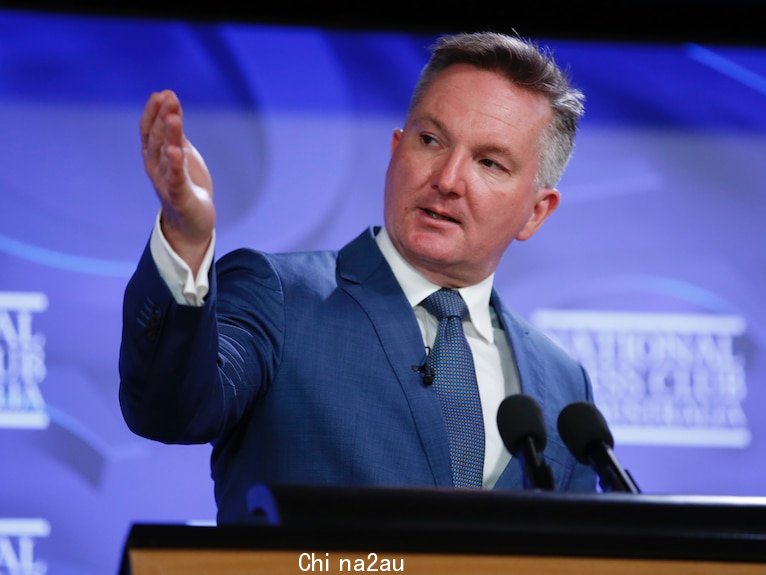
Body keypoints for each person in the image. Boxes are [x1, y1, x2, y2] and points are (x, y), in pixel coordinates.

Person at [119, 31, 598, 524]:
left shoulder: (562, 383)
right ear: (396, 149)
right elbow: (169, 407)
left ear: (536, 212)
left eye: (489, 162)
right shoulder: (280, 297)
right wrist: (186, 240)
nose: (448, 180)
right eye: (430, 140)